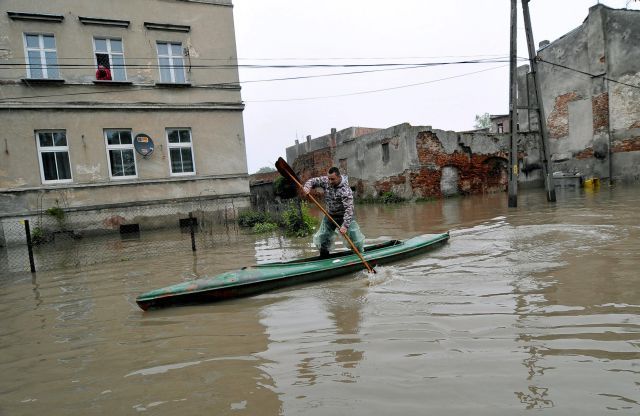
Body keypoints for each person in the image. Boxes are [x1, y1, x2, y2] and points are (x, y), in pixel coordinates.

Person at [303, 167, 365, 258]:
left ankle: (359, 257)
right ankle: (324, 258)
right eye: (329, 178)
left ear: (339, 177)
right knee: (322, 239)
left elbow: (349, 209)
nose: (330, 181)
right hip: (330, 215)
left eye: (333, 179)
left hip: (344, 217)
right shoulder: (326, 181)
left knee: (355, 240)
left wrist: (345, 225)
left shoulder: (345, 190)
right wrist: (307, 186)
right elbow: (313, 181)